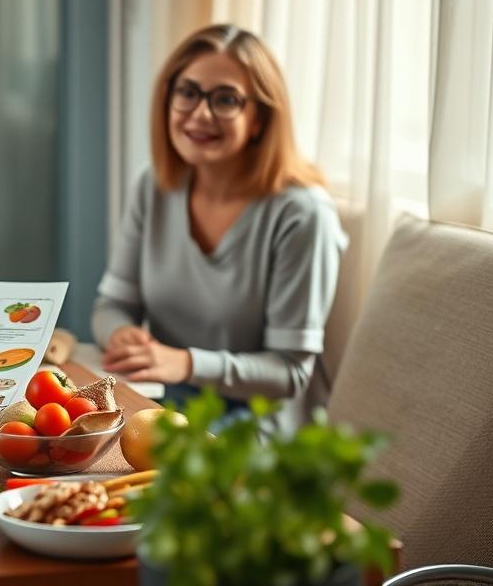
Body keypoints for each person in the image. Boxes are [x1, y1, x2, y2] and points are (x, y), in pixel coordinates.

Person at [92, 24, 346, 427]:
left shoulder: (303, 215)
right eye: (188, 92)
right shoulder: (154, 185)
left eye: (225, 99)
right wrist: (121, 334)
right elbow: (111, 306)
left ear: (260, 119)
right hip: (161, 403)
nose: (201, 114)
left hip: (259, 426)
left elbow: (290, 372)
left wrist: (187, 364)